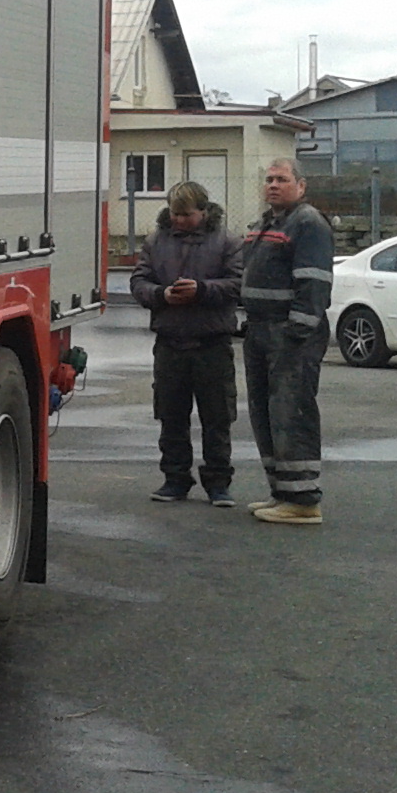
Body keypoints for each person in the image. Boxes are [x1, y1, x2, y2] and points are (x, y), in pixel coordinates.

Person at [130, 179, 242, 503]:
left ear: (203, 212)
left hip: (212, 343)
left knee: (217, 417)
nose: (179, 220)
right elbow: (139, 282)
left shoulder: (227, 242)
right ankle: (175, 479)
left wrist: (201, 290)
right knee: (171, 416)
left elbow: (237, 284)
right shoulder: (155, 242)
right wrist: (161, 295)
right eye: (175, 214)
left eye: (186, 215)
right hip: (170, 343)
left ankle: (218, 483)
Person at [240, 159, 335, 525]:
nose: (273, 185)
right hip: (260, 331)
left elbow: (314, 283)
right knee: (266, 414)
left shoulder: (308, 223)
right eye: (269, 179)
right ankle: (282, 491)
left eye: (282, 179)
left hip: (290, 335)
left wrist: (297, 331)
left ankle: (303, 499)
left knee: (291, 413)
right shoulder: (266, 224)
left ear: (301, 186)